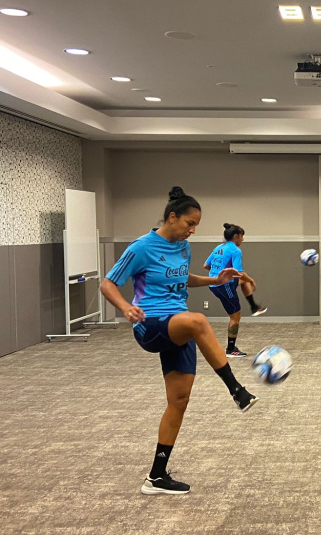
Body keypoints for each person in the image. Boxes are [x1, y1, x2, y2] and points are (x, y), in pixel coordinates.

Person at [101, 188, 257, 496]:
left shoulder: (183, 248)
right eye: (189, 223)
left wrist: (215, 280)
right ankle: (236, 389)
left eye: (196, 225)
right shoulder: (141, 247)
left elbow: (183, 278)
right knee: (199, 321)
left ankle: (156, 477)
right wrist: (124, 307)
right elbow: (108, 283)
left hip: (178, 326)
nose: (192, 230)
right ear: (172, 217)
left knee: (179, 402)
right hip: (150, 324)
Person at [205, 223, 267, 358]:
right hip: (223, 285)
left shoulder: (219, 247)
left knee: (242, 282)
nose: (243, 240)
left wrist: (218, 275)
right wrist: (251, 280)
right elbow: (240, 273)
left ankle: (254, 307)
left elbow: (206, 265)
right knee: (235, 316)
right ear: (236, 236)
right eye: (242, 236)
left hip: (213, 283)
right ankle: (231, 349)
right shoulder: (235, 250)